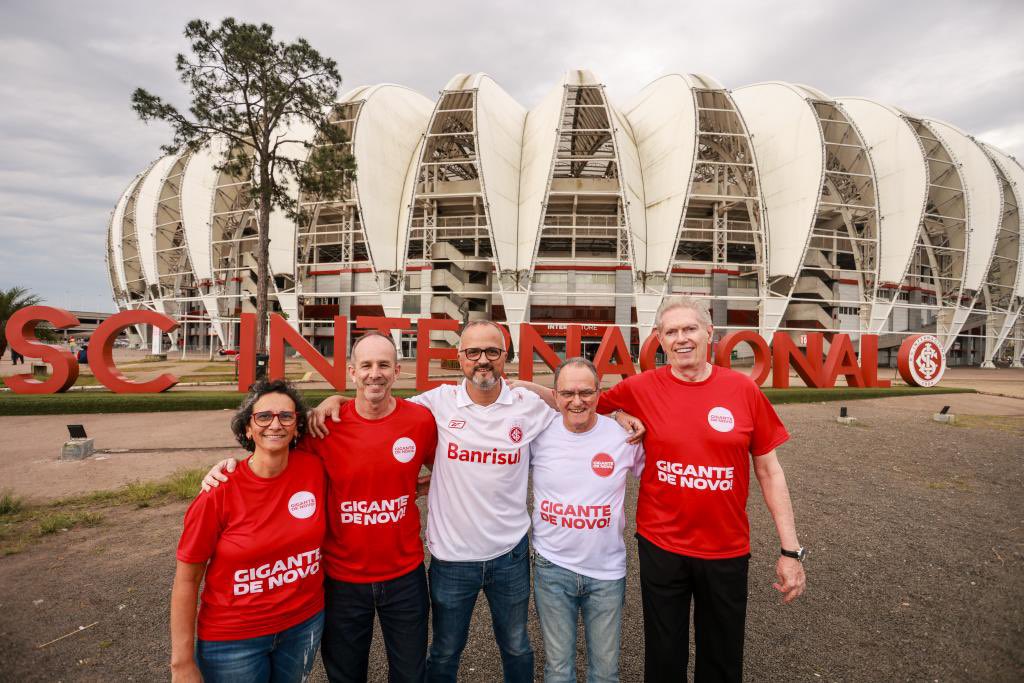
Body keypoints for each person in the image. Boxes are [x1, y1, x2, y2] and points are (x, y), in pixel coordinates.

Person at [310, 321, 643, 683]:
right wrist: (336, 400)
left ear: (505, 357)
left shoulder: (528, 406)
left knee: (516, 645)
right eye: (473, 352)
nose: (482, 360)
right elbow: (380, 403)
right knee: (445, 650)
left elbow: (574, 403)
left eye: (492, 352)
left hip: (509, 555)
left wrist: (616, 414)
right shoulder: (435, 404)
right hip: (452, 557)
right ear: (460, 358)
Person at [202, 332, 438, 682]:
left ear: (398, 370)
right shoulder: (323, 426)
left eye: (384, 365)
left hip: (405, 575)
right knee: (344, 676)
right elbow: (274, 455)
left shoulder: (419, 421)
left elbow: (451, 471)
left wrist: (424, 486)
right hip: (340, 578)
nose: (375, 373)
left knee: (410, 674)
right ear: (352, 371)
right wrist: (229, 467)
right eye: (367, 365)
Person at [599, 296, 805, 682]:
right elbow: (583, 404)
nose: (681, 338)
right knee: (663, 657)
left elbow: (769, 471)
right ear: (659, 340)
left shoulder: (742, 389)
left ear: (709, 333)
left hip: (725, 549)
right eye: (671, 331)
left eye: (689, 328)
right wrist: (619, 413)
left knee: (723, 659)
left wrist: (790, 550)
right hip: (661, 545)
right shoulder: (640, 387)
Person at [171, 379, 325, 683]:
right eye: (264, 416)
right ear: (247, 428)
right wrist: (182, 663)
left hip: (303, 624)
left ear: (297, 427)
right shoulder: (219, 490)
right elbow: (187, 579)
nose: (275, 424)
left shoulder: (314, 469)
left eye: (286, 416)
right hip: (233, 640)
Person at [530, 357, 643, 683]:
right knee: (558, 669)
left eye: (585, 392)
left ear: (599, 393)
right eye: (566, 393)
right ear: (554, 395)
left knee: (606, 672)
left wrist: (622, 415)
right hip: (552, 568)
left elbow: (660, 476)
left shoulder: (622, 436)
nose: (576, 401)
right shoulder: (540, 432)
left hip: (606, 572)